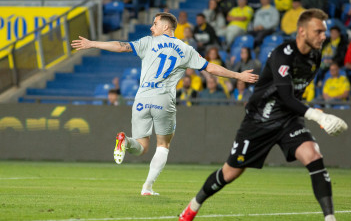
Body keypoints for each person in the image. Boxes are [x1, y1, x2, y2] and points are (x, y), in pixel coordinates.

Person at [179, 8, 348, 221]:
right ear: (302, 31)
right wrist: (318, 116)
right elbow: (286, 95)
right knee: (229, 173)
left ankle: (330, 218)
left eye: (324, 31)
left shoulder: (316, 55)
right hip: (260, 119)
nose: (324, 36)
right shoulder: (282, 54)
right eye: (318, 31)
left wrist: (314, 114)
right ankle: (193, 205)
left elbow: (296, 94)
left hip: (288, 120)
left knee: (314, 156)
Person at [71, 12, 259, 196]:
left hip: (141, 99)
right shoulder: (185, 49)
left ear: (166, 27)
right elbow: (210, 67)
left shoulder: (147, 42)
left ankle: (125, 141)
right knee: (163, 145)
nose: (151, 27)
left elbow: (121, 46)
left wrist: (92, 43)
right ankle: (147, 187)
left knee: (141, 147)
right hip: (163, 100)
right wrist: (238, 75)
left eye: (155, 24)